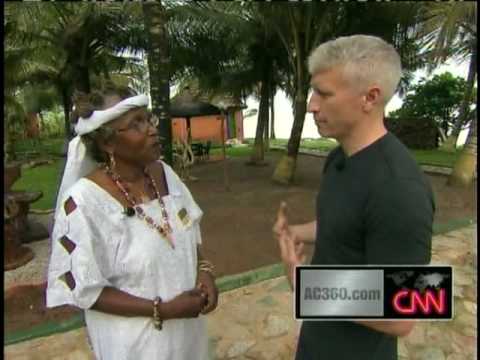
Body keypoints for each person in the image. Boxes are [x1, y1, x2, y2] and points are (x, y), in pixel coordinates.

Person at [273, 35, 435, 360]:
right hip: (318, 342)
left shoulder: (399, 190)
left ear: (369, 98)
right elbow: (346, 224)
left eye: (324, 93)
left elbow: (401, 317)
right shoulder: (338, 159)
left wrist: (308, 287)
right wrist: (297, 232)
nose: (311, 105)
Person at [46, 84, 218, 360]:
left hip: (187, 336)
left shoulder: (165, 175)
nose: (152, 129)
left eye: (148, 118)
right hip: (135, 345)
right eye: (136, 124)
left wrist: (205, 271)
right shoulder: (82, 203)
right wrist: (161, 310)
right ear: (108, 142)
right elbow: (85, 288)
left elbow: (189, 234)